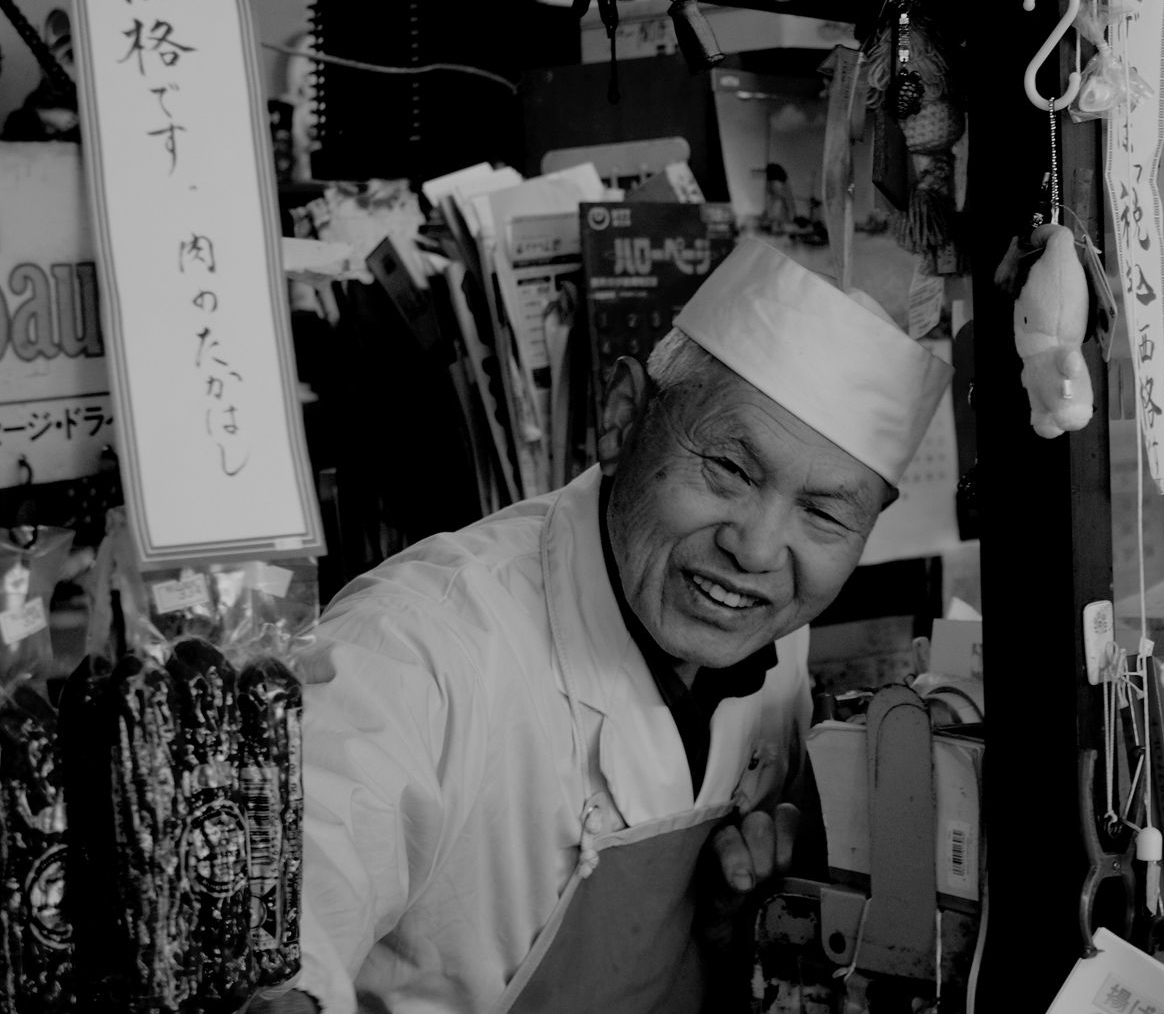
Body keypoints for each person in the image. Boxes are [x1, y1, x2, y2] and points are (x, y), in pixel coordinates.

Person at [278, 239, 952, 1014]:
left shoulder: (775, 640)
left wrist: (739, 923)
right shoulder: (412, 649)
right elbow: (284, 935)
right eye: (729, 467)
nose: (757, 548)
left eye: (825, 512)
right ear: (624, 415)